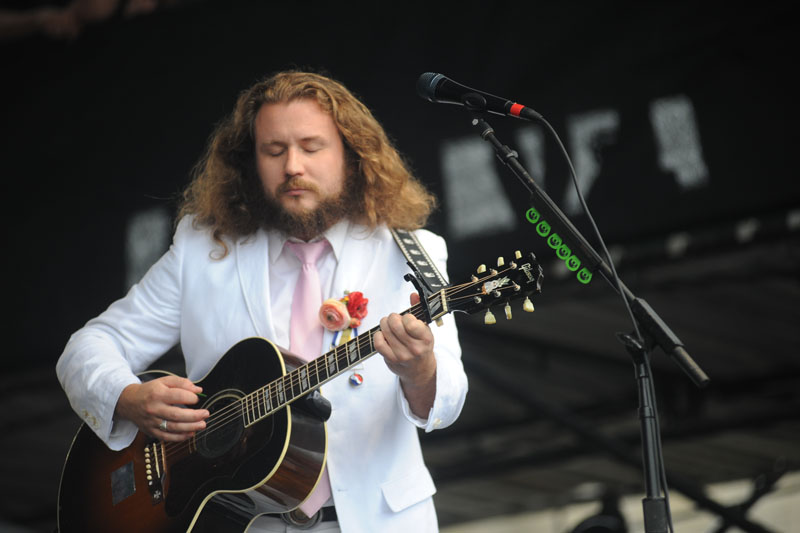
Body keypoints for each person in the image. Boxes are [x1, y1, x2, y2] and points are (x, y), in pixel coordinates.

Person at [56, 70, 468, 533]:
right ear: (251, 162)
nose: (293, 165)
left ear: (352, 156)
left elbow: (448, 398)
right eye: (274, 150)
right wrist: (127, 397)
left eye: (312, 147)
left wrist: (421, 371)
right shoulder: (202, 251)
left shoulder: (413, 251)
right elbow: (88, 346)